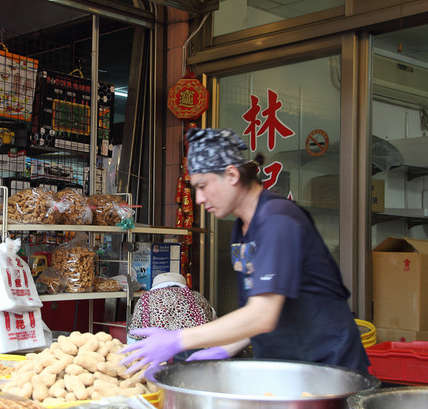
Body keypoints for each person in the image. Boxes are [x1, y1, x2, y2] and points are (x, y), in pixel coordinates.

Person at [121, 128, 370, 376]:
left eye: (203, 186)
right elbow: (261, 307)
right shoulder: (242, 228)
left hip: (327, 365)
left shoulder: (278, 221)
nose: (198, 198)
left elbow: (263, 315)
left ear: (231, 175)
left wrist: (177, 339)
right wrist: (225, 348)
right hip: (285, 364)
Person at [127, 272, 216, 361]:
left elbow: (134, 335)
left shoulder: (145, 299)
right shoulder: (198, 297)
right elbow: (212, 320)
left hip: (157, 355)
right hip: (195, 353)